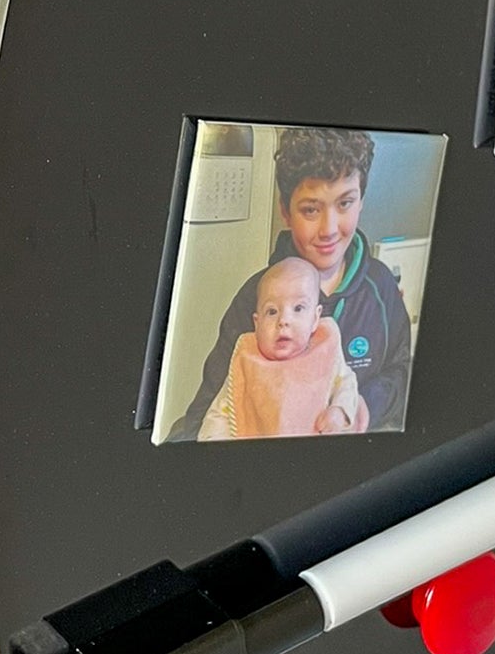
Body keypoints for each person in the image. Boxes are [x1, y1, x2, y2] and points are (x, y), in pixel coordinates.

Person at [172, 127, 412, 439]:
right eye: (311, 209)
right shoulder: (254, 298)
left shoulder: (381, 289)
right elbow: (206, 412)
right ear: (285, 211)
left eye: (345, 203)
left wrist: (367, 405)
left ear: (361, 201)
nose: (328, 229)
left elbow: (404, 373)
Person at [198, 256, 358, 440]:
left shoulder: (324, 353)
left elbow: (347, 384)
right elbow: (220, 413)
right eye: (272, 311)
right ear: (257, 324)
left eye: (298, 308)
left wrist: (339, 412)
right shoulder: (248, 362)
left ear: (315, 319)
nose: (283, 321)